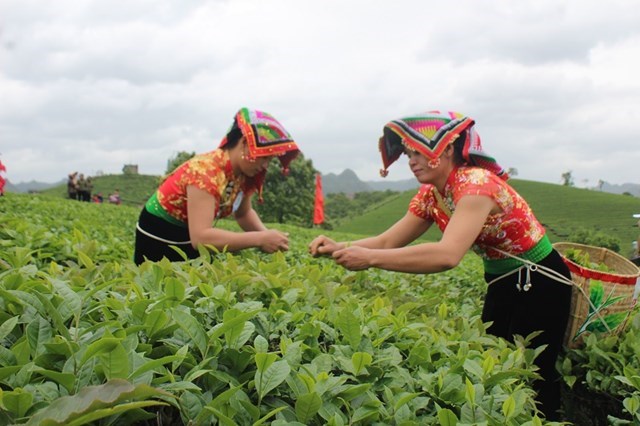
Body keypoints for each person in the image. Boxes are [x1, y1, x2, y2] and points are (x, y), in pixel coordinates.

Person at [309, 110, 572, 420]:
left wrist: (369, 260)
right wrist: (341, 248)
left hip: (540, 279)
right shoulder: (432, 195)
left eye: (419, 152)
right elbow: (387, 241)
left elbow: (447, 255)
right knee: (496, 363)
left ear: (446, 149)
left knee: (534, 372)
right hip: (501, 280)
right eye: (408, 153)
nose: (411, 160)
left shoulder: (475, 185)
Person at [134, 107, 300, 265]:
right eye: (264, 157)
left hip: (189, 236)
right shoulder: (205, 172)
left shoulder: (242, 175)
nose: (265, 166)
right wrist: (259, 239)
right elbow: (202, 238)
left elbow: (244, 213)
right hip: (160, 234)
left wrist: (269, 236)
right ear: (244, 143)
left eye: (270, 160)